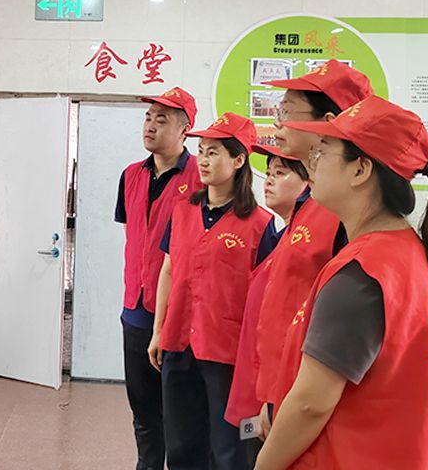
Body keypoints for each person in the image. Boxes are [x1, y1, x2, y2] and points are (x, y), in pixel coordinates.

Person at [256, 95, 428, 470]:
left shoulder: (362, 273)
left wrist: (264, 464)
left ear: (360, 170)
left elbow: (311, 404)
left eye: (323, 150)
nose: (312, 163)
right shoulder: (405, 252)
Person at [148, 112, 273, 470]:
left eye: (213, 152)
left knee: (229, 449)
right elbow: (169, 270)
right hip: (178, 343)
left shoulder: (260, 224)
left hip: (227, 352)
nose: (202, 160)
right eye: (201, 151)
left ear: (238, 160)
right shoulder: (182, 212)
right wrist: (158, 330)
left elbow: (265, 298)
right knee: (181, 446)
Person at [254, 60, 372, 434]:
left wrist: (292, 404)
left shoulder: (344, 211)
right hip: (284, 386)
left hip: (311, 395)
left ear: (329, 121)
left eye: (287, 111)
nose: (277, 123)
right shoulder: (310, 202)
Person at [115, 87, 201, 470]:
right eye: (148, 118)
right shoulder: (130, 175)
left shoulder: (201, 177)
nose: (150, 125)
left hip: (182, 315)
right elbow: (135, 236)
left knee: (182, 414)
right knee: (144, 411)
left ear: (185, 129)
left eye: (161, 120)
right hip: (136, 310)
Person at [225, 145, 309, 469]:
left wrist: (270, 399)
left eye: (281, 173)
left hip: (274, 394)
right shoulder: (277, 236)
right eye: (269, 172)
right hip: (255, 385)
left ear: (309, 182)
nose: (269, 180)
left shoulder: (305, 248)